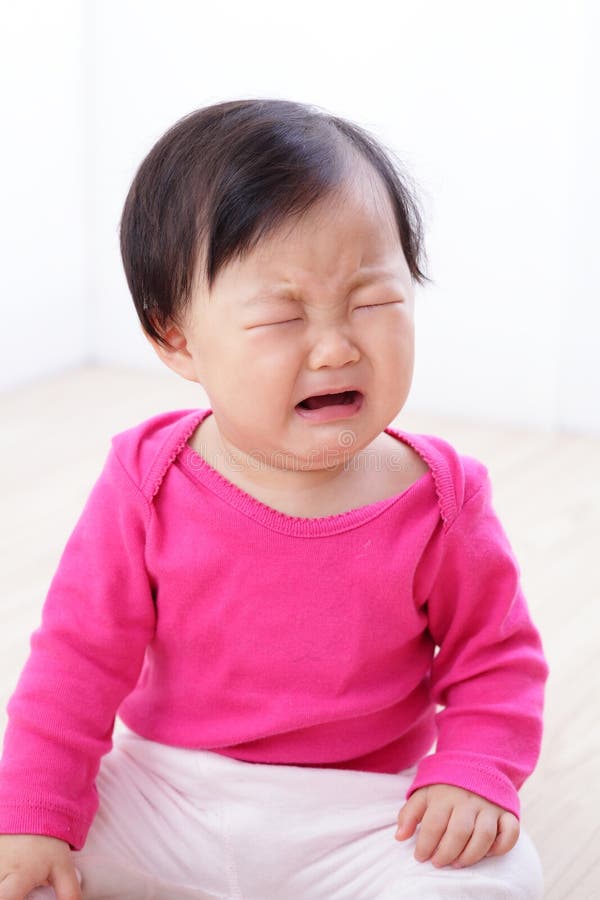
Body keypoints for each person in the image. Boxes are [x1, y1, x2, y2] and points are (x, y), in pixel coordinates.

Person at [0, 98, 549, 900]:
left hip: (366, 812)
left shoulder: (440, 498)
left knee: (503, 876)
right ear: (177, 337)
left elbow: (496, 662)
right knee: (25, 847)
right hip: (166, 793)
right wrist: (35, 813)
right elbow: (77, 660)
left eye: (373, 302)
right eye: (284, 315)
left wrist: (470, 771)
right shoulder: (146, 480)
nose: (336, 345)